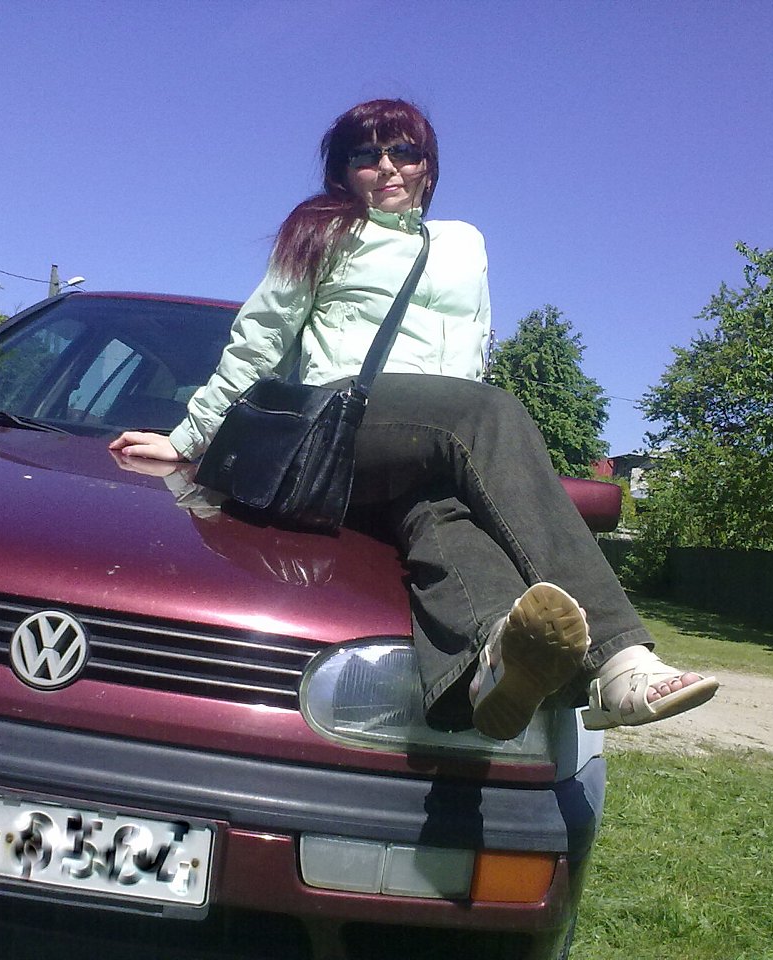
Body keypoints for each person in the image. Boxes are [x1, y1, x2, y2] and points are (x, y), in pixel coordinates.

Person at [111, 98, 718, 738]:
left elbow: (474, 350)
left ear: (428, 167)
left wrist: (470, 464)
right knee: (486, 411)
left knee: (444, 513)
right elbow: (262, 337)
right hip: (339, 426)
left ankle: (490, 661)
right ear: (343, 171)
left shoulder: (465, 243)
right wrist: (190, 437)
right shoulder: (322, 231)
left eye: (403, 152)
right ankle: (620, 660)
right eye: (366, 155)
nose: (387, 167)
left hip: (427, 440)